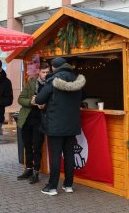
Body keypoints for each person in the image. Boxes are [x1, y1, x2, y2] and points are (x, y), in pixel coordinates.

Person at [34, 57, 86, 195]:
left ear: (53, 68)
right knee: (69, 155)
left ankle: (52, 187)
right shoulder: (77, 79)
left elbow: (39, 99)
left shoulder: (52, 80)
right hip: (72, 125)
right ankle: (68, 185)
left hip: (55, 125)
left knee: (55, 156)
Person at [17, 62, 50, 184]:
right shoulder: (31, 82)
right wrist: (31, 102)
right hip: (27, 118)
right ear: (39, 72)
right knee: (27, 145)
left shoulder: (51, 85)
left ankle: (36, 171)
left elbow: (54, 102)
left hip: (40, 120)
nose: (45, 75)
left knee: (37, 146)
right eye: (43, 72)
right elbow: (20, 99)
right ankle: (28, 169)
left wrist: (45, 105)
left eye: (47, 72)